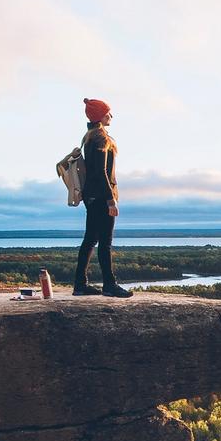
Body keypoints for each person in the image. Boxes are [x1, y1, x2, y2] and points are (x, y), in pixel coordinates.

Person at [74, 97, 132, 297]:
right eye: (108, 112)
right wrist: (110, 199)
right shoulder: (101, 138)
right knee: (105, 242)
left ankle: (80, 285)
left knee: (90, 240)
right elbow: (101, 172)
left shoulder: (89, 136)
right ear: (100, 115)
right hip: (101, 197)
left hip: (91, 197)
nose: (111, 116)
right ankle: (109, 285)